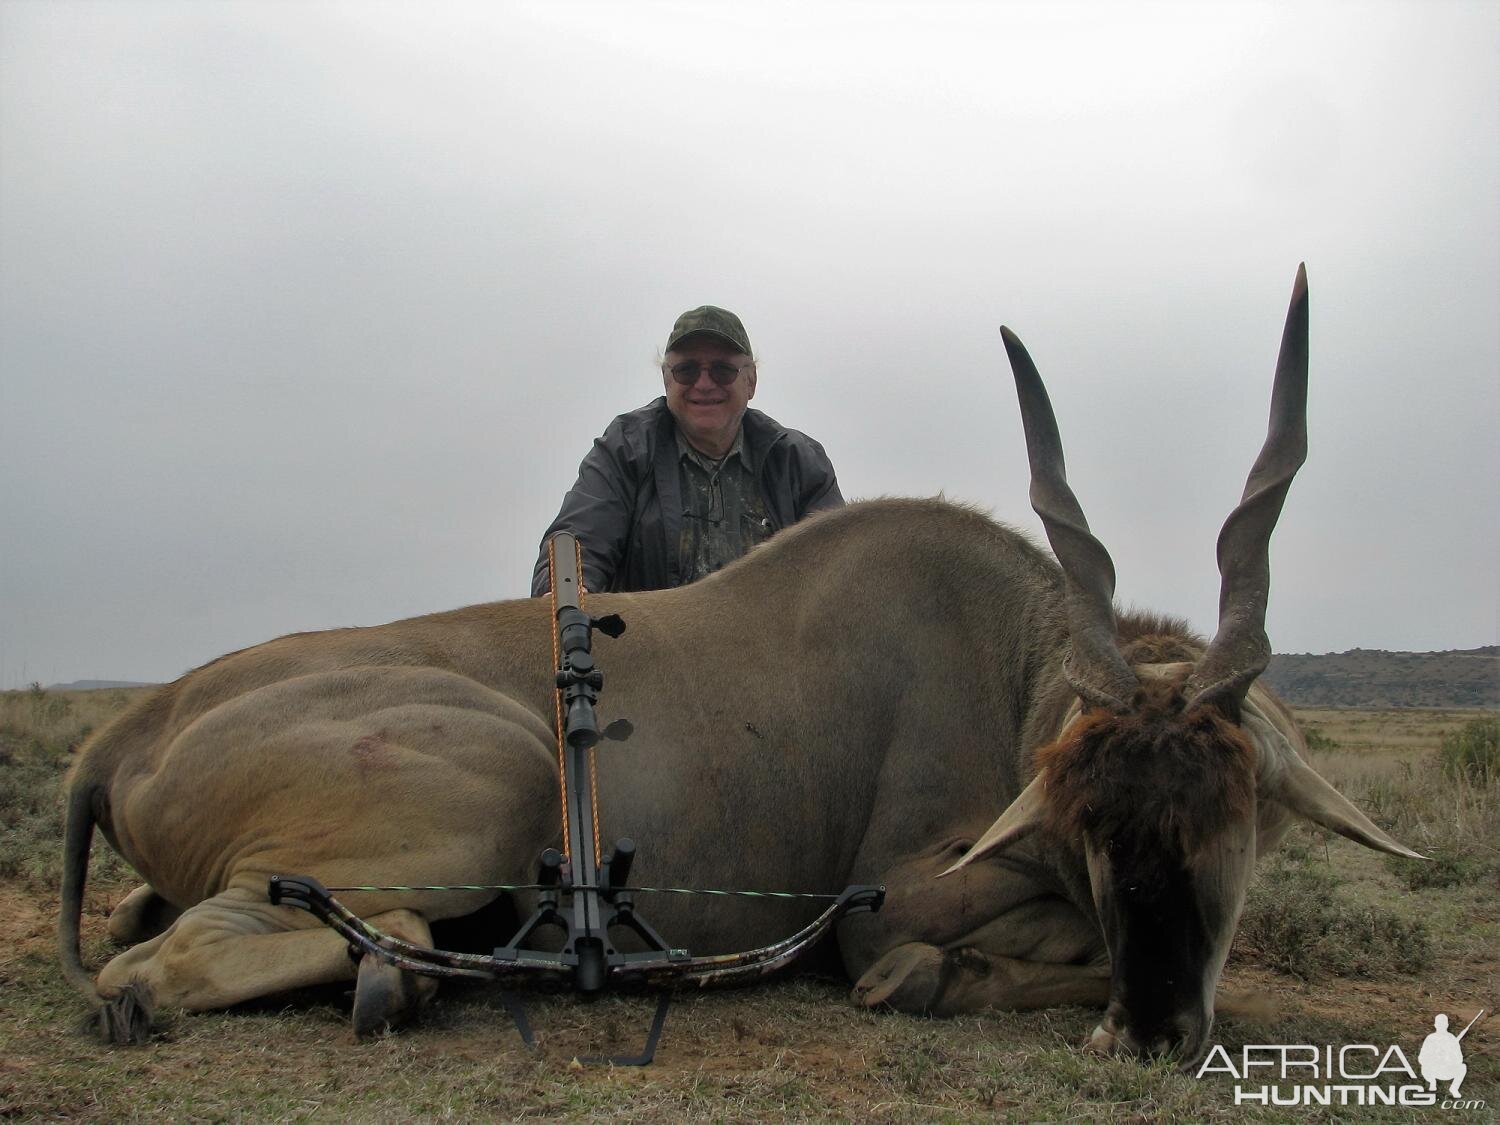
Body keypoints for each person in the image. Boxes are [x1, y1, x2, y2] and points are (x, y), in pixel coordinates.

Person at [532, 305, 843, 595]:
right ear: (667, 381)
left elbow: (841, 564)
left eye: (723, 370)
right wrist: (565, 596)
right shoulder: (626, 448)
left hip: (773, 651)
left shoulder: (799, 462)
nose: (704, 384)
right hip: (650, 650)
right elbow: (580, 538)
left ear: (751, 381)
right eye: (686, 370)